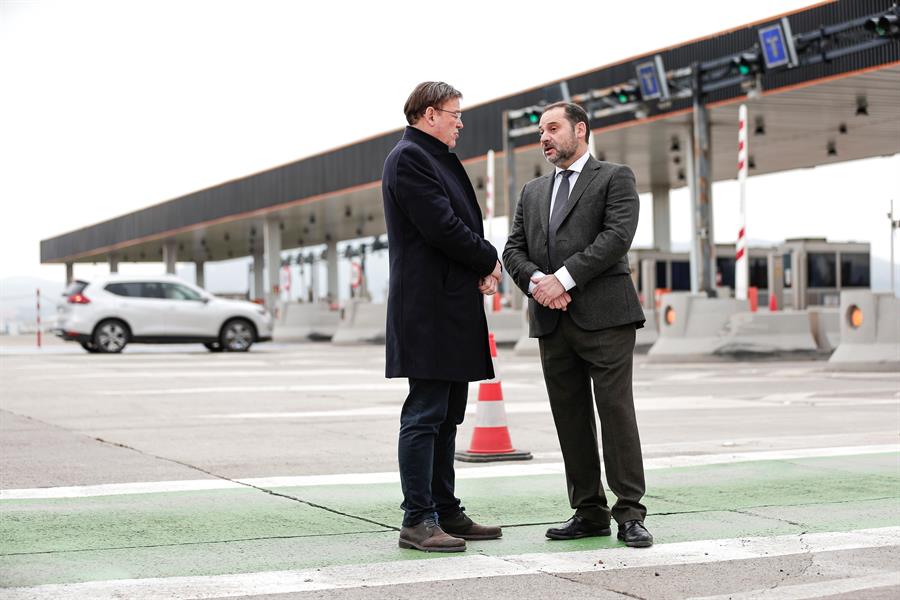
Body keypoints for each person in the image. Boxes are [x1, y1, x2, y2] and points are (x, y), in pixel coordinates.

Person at [502, 101, 653, 548]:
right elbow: (512, 249)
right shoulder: (531, 191)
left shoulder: (614, 177)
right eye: (540, 132)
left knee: (615, 414)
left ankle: (629, 512)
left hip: (605, 317)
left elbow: (616, 239)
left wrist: (561, 279)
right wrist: (536, 283)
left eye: (552, 128)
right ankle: (588, 510)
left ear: (580, 129)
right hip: (552, 322)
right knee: (570, 417)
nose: (544, 137)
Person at [382, 81, 503, 553]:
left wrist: (477, 265)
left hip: (448, 304)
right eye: (455, 113)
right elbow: (442, 226)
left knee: (448, 414)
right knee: (426, 412)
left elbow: (453, 228)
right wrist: (487, 259)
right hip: (428, 308)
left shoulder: (431, 157)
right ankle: (418, 519)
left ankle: (445, 510)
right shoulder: (410, 157)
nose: (460, 121)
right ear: (429, 114)